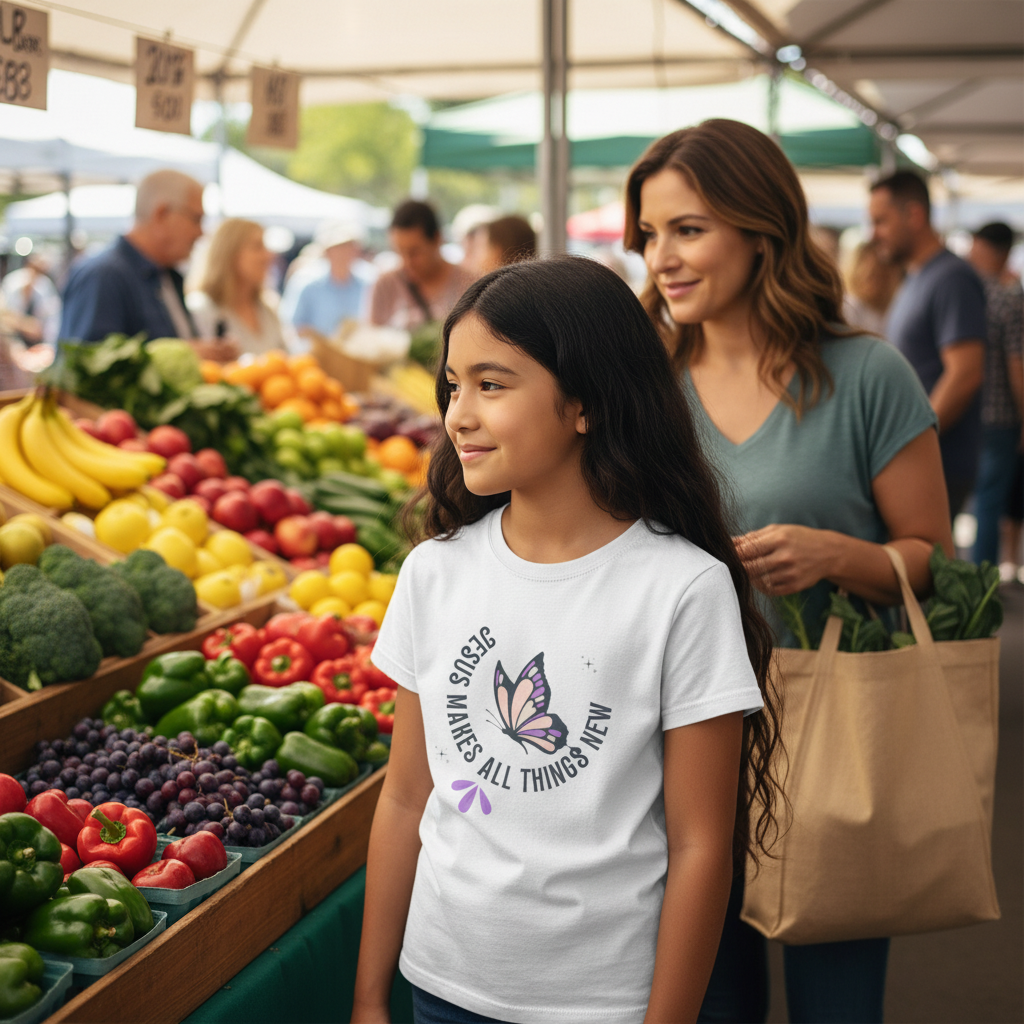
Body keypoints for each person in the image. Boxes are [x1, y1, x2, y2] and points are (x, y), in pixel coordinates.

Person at [351, 256, 781, 1024]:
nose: (458, 415)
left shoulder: (681, 588)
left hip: (607, 1002)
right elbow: (406, 796)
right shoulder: (432, 574)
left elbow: (702, 847)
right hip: (440, 986)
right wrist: (368, 997)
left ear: (584, 402)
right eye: (453, 386)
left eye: (492, 384)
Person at [625, 119, 953, 1024]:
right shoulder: (644, 386)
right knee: (709, 1005)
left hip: (832, 737)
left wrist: (840, 556)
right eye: (650, 235)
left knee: (835, 1006)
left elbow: (936, 561)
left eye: (687, 229)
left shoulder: (869, 376)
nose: (662, 257)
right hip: (675, 740)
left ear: (761, 229)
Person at [869, 171, 987, 515]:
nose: (874, 233)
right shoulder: (918, 276)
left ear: (915, 215)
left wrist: (915, 441)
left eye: (881, 221)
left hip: (939, 464)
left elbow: (965, 373)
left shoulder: (951, 278)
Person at [59, 170, 235, 358]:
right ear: (161, 214)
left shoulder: (166, 275)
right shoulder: (104, 275)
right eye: (196, 219)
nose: (201, 232)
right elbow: (87, 366)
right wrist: (181, 355)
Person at [966, 222, 1024, 566]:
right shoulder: (1009, 299)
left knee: (977, 501)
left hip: (971, 412)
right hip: (1002, 416)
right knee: (990, 501)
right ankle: (984, 577)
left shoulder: (971, 294)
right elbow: (1018, 366)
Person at [187, 218, 286, 358]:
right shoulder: (202, 309)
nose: (269, 255)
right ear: (230, 252)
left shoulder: (268, 309)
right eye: (257, 247)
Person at [368, 200, 475, 330]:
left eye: (414, 252)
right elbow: (370, 340)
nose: (407, 262)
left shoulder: (470, 285)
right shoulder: (384, 285)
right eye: (400, 252)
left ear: (436, 239)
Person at [281, 219, 370, 339]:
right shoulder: (305, 283)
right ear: (327, 250)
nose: (346, 251)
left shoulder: (369, 282)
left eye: (350, 246)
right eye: (340, 247)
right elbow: (290, 326)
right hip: (314, 355)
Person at [842, 240, 904, 336]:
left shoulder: (897, 307)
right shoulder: (849, 308)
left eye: (879, 276)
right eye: (870, 277)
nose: (873, 284)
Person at [0, 254, 61, 349]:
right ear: (28, 265)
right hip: (12, 339)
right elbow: (5, 315)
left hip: (37, 341)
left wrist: (48, 344)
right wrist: (25, 325)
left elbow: (52, 318)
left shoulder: (45, 285)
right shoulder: (13, 282)